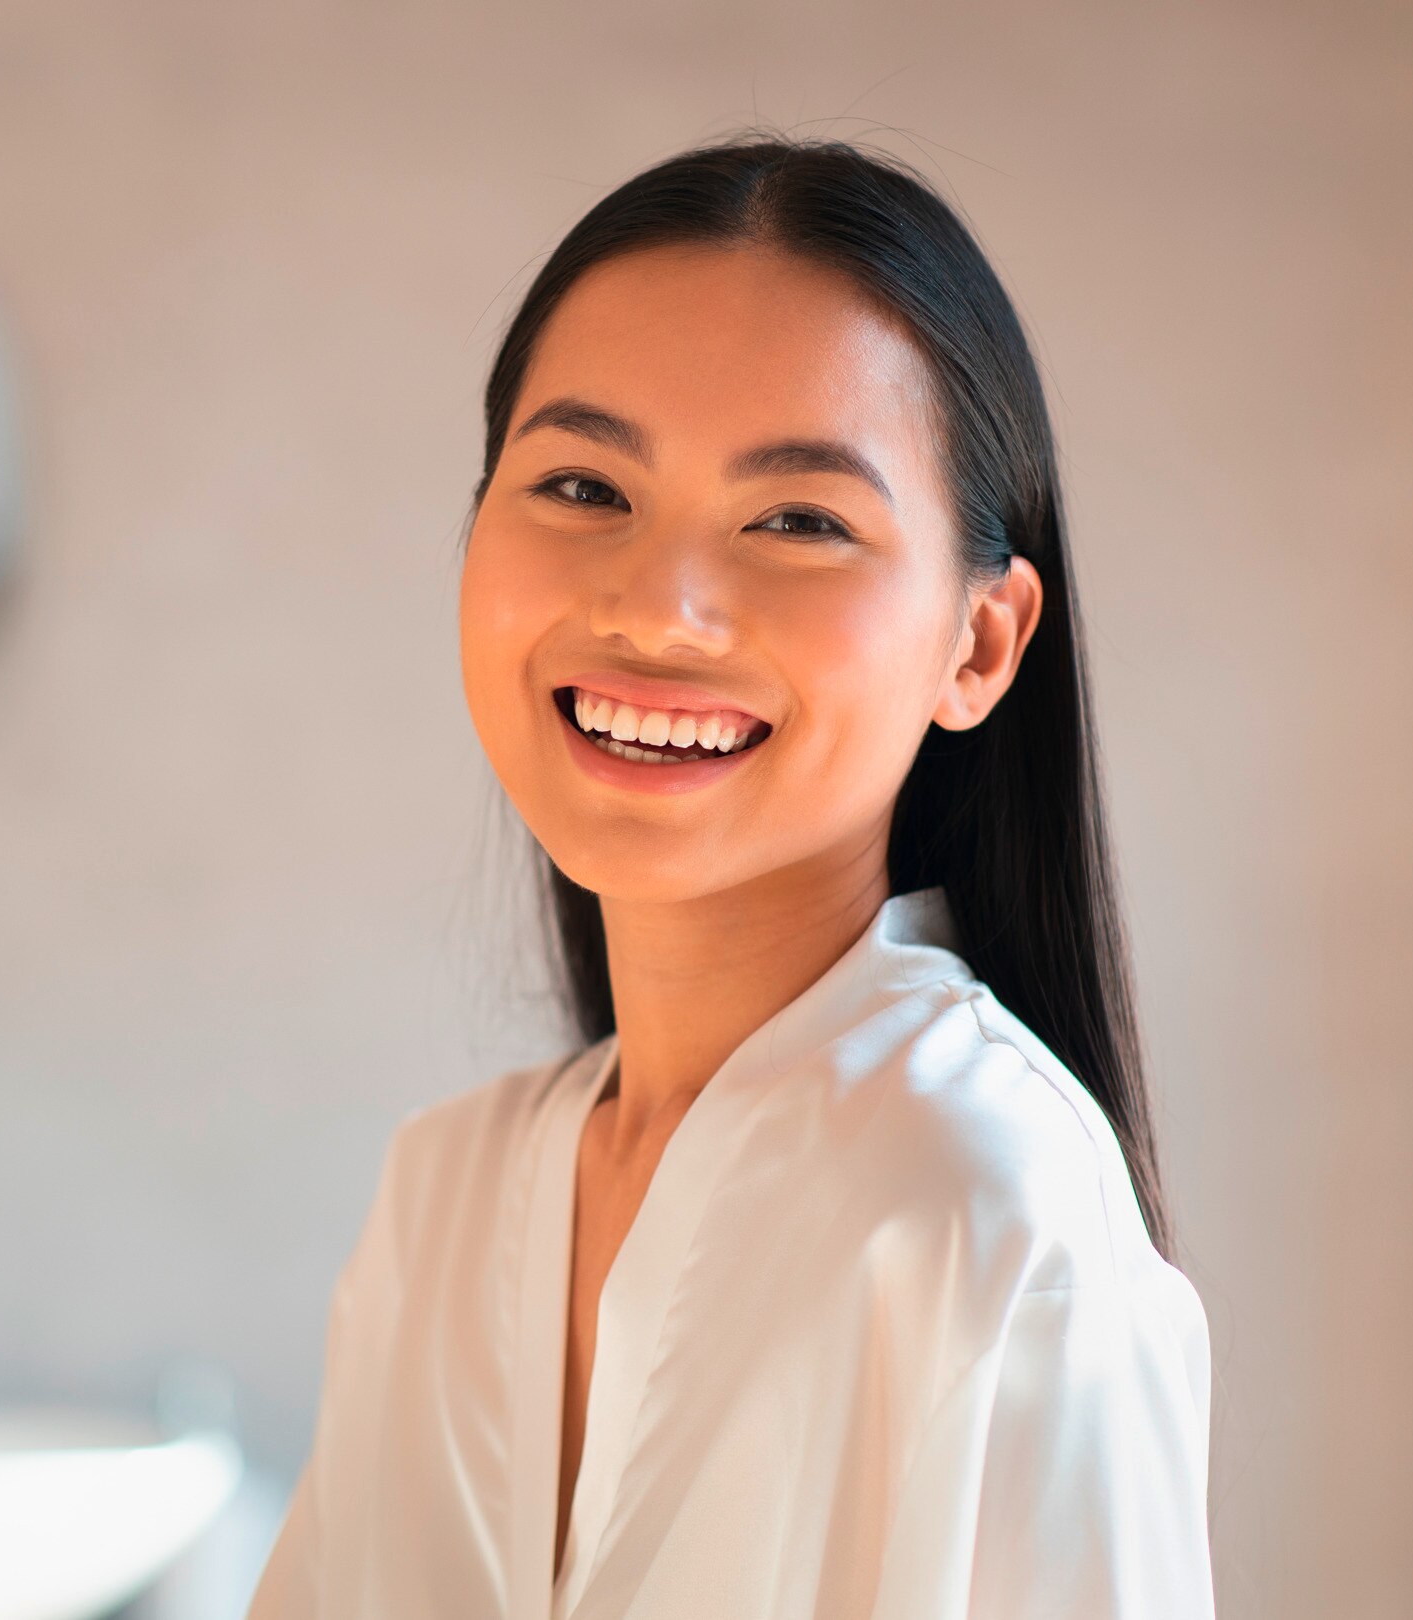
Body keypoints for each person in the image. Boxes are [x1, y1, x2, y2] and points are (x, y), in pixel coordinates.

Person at [249, 139, 1213, 1620]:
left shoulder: (989, 1212)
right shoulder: (440, 1201)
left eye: (801, 521)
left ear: (980, 646)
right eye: (582, 484)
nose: (660, 608)